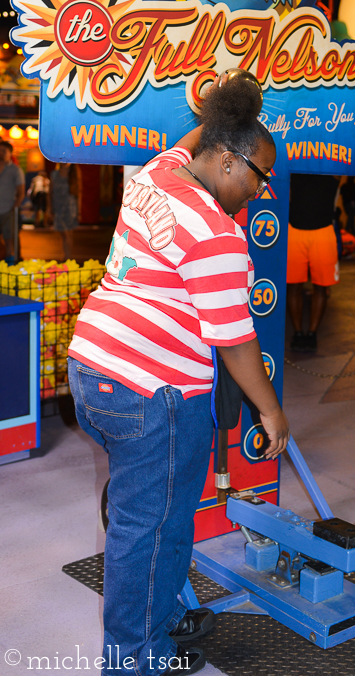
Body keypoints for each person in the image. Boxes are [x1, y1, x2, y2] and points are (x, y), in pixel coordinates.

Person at [67, 72, 289, 676]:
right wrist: (270, 410)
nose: (263, 191)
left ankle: (158, 627)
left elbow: (194, 139)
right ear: (225, 157)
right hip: (152, 394)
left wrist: (230, 112)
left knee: (161, 515)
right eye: (259, 174)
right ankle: (133, 661)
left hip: (93, 369)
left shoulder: (157, 174)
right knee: (148, 529)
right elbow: (236, 342)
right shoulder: (216, 232)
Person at [286, 173, 340, 351]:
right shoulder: (296, 163)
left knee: (321, 286)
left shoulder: (333, 166)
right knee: (293, 285)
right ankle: (299, 332)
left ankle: (312, 333)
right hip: (294, 229)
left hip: (323, 231)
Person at [0, 140, 25, 264]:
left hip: (8, 210)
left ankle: (11, 265)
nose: (1, 153)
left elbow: (21, 192)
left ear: (10, 154)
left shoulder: (15, 170)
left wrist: (14, 208)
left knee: (9, 239)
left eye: (4, 151)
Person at [50, 162, 81, 259]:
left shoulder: (74, 174)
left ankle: (67, 257)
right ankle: (67, 257)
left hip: (70, 208)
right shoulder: (54, 174)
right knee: (64, 234)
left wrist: (79, 211)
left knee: (68, 234)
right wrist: (49, 208)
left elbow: (78, 194)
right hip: (58, 208)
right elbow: (50, 192)